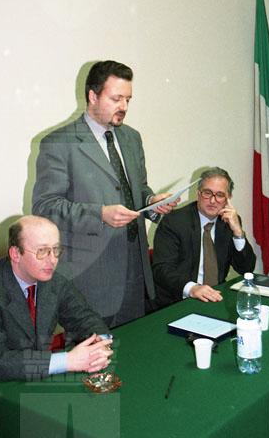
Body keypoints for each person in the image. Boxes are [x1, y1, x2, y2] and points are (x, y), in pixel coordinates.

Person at [32, 60, 177, 327]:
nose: (124, 106)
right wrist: (99, 214)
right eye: (116, 98)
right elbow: (45, 207)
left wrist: (151, 201)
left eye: (128, 100)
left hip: (136, 271)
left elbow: (138, 188)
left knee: (134, 347)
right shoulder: (59, 143)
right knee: (95, 352)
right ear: (93, 96)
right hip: (90, 277)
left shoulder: (132, 138)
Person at [0, 215, 112, 438]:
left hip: (30, 382)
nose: (52, 260)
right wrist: (68, 361)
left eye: (56, 250)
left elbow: (85, 318)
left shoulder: (55, 281)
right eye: (42, 251)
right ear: (16, 254)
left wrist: (99, 345)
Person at [152, 167, 256, 308]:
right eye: (207, 193)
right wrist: (192, 288)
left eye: (220, 195)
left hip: (216, 297)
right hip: (177, 301)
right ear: (198, 194)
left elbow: (246, 269)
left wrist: (238, 232)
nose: (213, 200)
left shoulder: (229, 222)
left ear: (228, 198)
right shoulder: (174, 222)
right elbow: (162, 269)